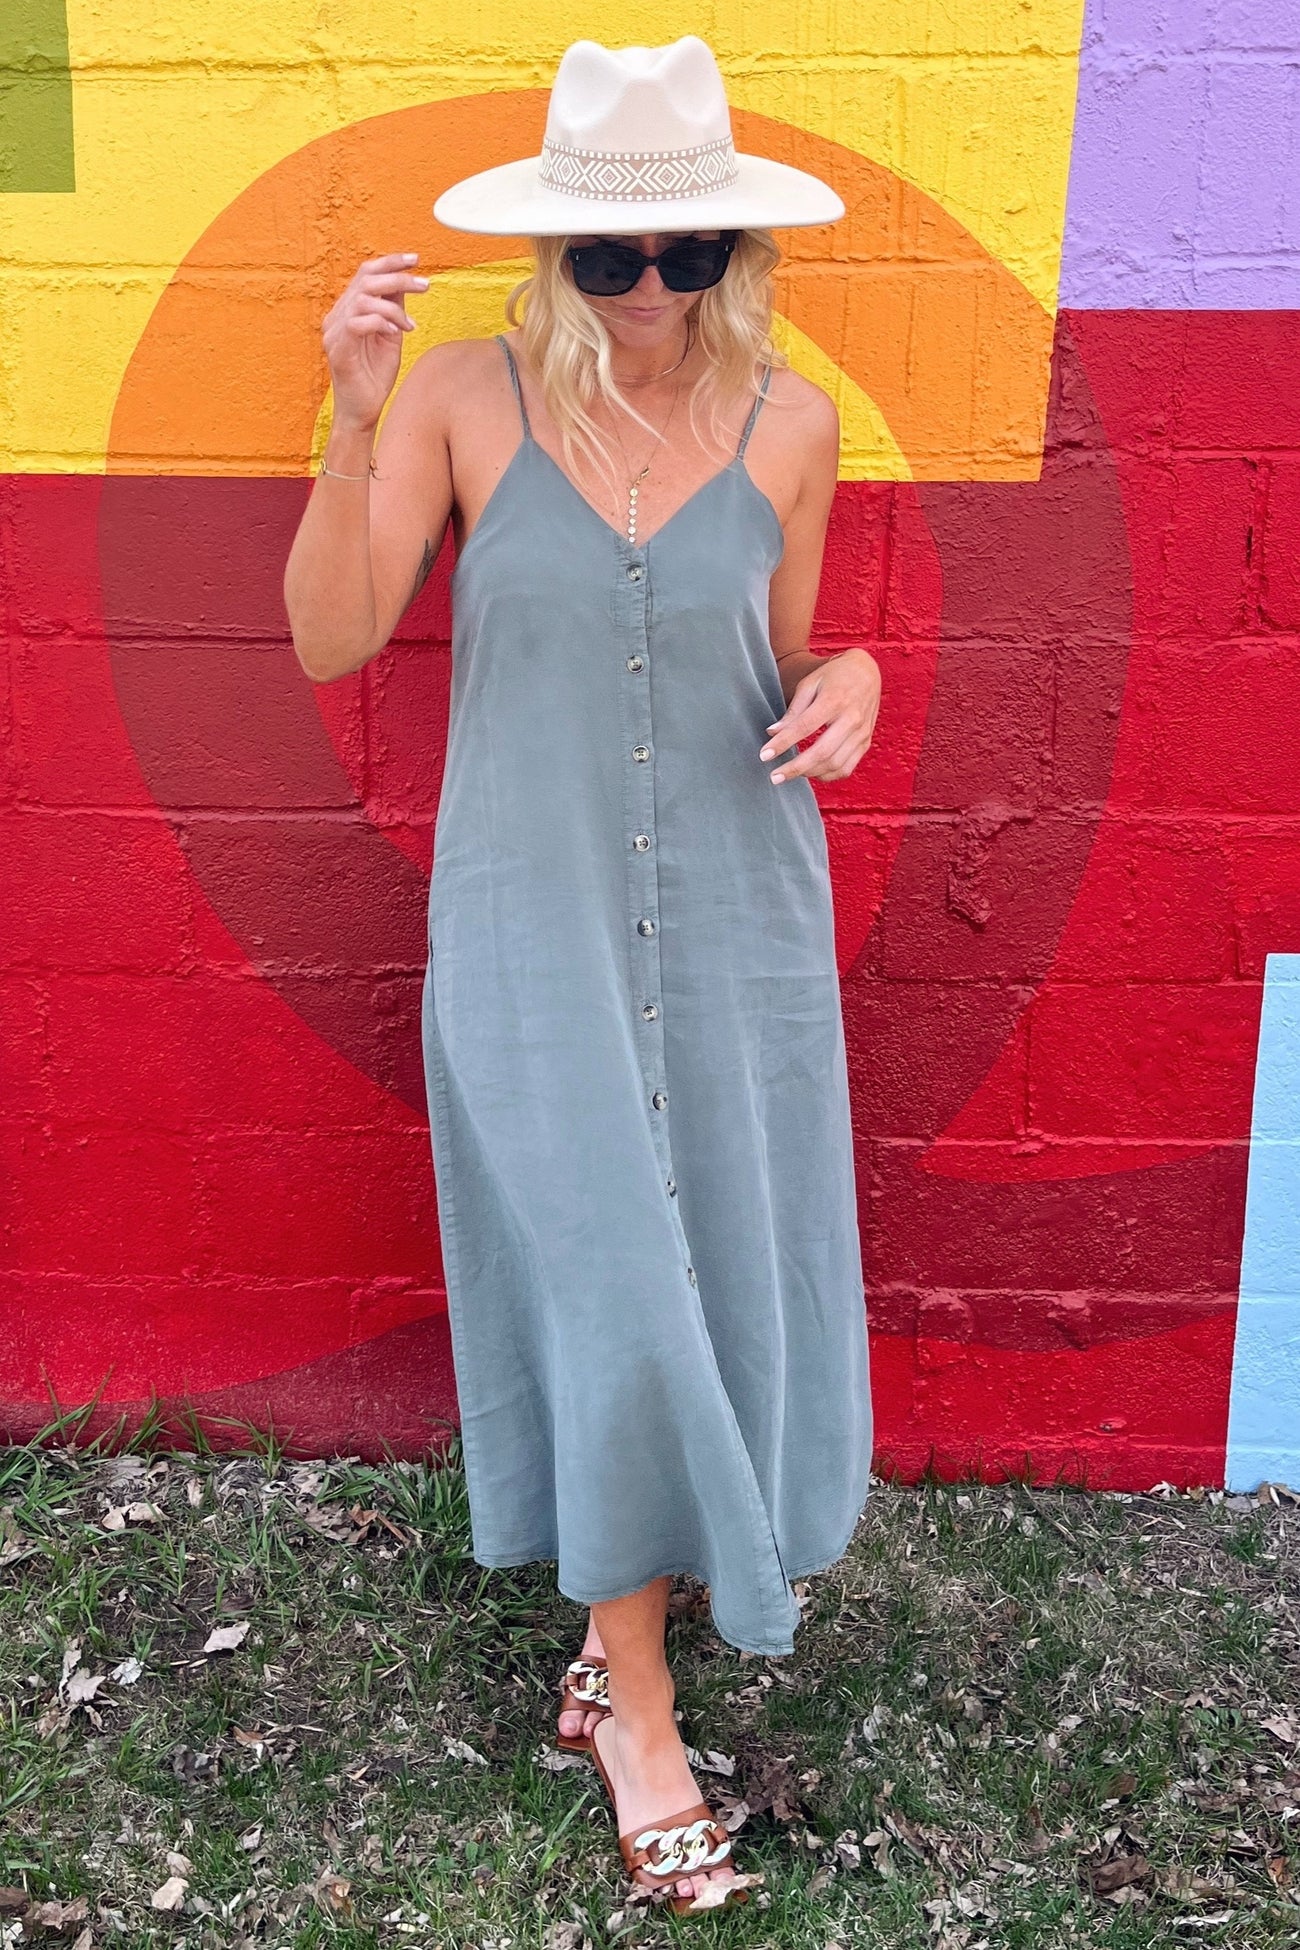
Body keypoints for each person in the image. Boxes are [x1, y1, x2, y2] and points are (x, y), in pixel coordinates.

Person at [283, 34, 881, 1918]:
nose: (645, 292)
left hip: (735, 924)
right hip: (530, 926)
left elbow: (782, 661)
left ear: (734, 254)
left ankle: (618, 1651)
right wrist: (350, 419)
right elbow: (333, 634)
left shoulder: (794, 424)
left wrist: (857, 679)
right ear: (553, 252)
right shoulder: (462, 398)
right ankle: (640, 1714)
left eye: (684, 255)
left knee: (708, 1265)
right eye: (607, 258)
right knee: (613, 1276)